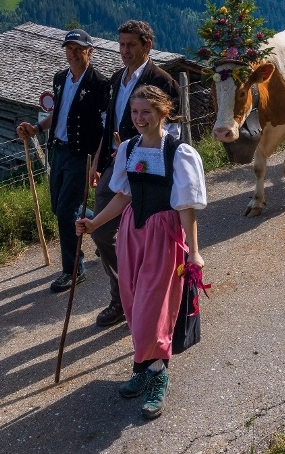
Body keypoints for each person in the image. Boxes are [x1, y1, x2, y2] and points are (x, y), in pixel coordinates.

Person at [76, 85, 206, 420]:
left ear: (164, 111)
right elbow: (123, 196)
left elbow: (186, 207)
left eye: (146, 112)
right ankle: (144, 367)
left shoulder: (178, 152)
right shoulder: (129, 148)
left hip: (163, 235)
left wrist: (194, 251)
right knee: (133, 302)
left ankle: (159, 374)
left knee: (152, 307)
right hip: (132, 233)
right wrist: (94, 223)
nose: (139, 119)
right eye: (135, 112)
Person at [89, 20, 181, 327]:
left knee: (150, 238)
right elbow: (109, 125)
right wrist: (99, 161)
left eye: (131, 45)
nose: (124, 51)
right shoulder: (117, 79)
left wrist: (163, 174)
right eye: (122, 44)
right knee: (101, 232)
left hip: (151, 171)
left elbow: (174, 133)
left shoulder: (162, 80)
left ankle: (153, 297)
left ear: (147, 46)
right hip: (117, 166)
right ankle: (121, 293)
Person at [16, 29, 109, 292]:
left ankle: (73, 270)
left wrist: (97, 163)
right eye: (69, 48)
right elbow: (59, 113)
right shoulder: (60, 79)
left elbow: (105, 125)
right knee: (60, 208)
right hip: (58, 150)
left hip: (83, 154)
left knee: (67, 210)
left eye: (78, 48)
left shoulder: (99, 84)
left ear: (90, 51)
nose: (73, 53)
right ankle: (106, 226)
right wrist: (36, 128)